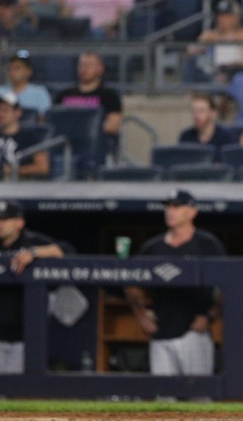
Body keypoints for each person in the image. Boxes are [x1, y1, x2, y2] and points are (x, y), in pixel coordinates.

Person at [125, 190, 227, 377]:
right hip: (160, 330)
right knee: (163, 398)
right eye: (168, 207)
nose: (170, 211)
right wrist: (140, 313)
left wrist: (211, 316)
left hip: (194, 331)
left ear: (191, 212)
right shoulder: (153, 247)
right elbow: (131, 281)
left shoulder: (207, 244)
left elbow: (227, 284)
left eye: (176, 207)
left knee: (199, 396)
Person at [0, 200, 71, 374]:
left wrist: (34, 253)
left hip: (25, 335)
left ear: (19, 223)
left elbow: (66, 250)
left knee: (19, 391)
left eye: (4, 220)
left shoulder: (32, 241)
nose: (0, 224)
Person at [54, 52, 123, 166]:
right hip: (64, 145)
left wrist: (78, 129)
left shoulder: (109, 95)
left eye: (89, 65)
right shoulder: (63, 95)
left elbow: (113, 126)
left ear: (100, 69)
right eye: (82, 65)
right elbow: (53, 122)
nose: (84, 68)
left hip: (95, 147)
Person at [192, 0, 243, 84]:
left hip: (236, 69)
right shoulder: (209, 34)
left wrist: (217, 36)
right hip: (215, 70)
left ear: (235, 17)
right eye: (220, 16)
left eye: (227, 16)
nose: (222, 19)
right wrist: (202, 42)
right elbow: (191, 49)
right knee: (195, 60)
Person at [63, 0, 135, 39]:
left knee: (97, 33)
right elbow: (65, 15)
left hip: (107, 36)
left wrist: (111, 26)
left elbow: (125, 15)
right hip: (78, 34)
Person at [0, 92, 50, 180]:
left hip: (21, 185)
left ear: (18, 112)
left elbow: (42, 167)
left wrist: (13, 170)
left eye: (5, 110)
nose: (1, 114)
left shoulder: (29, 136)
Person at [178, 93, 237, 162]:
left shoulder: (226, 138)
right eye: (194, 111)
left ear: (213, 113)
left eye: (201, 111)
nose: (196, 115)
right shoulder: (186, 137)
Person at [0, 50, 52, 120]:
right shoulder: (1, 91)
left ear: (29, 71)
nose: (13, 72)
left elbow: (43, 118)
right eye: (11, 68)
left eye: (17, 68)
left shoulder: (39, 92)